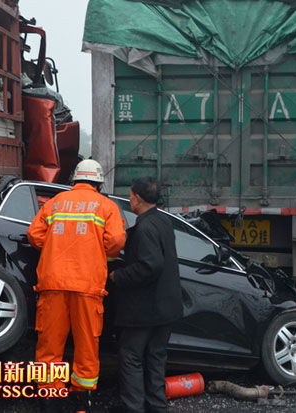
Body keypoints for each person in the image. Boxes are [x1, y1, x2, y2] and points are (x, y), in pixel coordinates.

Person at [27, 159, 126, 412]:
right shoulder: (106, 206)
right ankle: (82, 400)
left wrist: (55, 246)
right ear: (99, 183)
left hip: (53, 283)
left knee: (49, 345)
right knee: (86, 344)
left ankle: (49, 399)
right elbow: (116, 240)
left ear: (74, 181)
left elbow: (34, 235)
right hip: (87, 286)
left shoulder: (54, 203)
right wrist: (97, 250)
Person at [109, 177, 183, 413]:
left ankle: (133, 408)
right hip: (166, 309)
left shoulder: (145, 227)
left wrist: (117, 277)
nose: (130, 199)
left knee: (130, 356)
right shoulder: (163, 221)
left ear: (138, 198)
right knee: (156, 357)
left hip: (144, 310)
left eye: (131, 196)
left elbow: (150, 265)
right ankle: (157, 407)